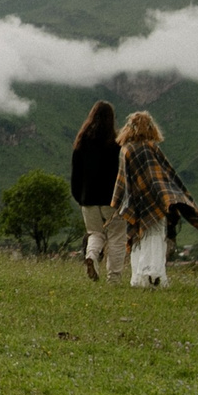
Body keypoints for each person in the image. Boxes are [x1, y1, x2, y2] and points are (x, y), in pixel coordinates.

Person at [110, 110, 198, 287]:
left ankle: (138, 278)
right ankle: (153, 275)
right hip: (155, 202)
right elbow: (166, 176)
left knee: (138, 238)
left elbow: (123, 182)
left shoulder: (125, 150)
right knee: (155, 235)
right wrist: (173, 197)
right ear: (150, 127)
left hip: (134, 202)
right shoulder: (151, 148)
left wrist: (121, 203)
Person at [68, 101, 123, 282]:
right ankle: (113, 278)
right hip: (111, 200)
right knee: (116, 237)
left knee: (95, 233)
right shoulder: (116, 146)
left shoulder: (81, 144)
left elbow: (76, 175)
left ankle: (91, 256)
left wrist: (79, 197)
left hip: (88, 199)